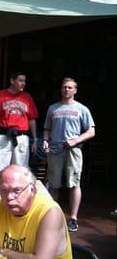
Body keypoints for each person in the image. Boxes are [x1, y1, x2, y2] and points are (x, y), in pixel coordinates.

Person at [43, 77, 95, 233]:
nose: (66, 89)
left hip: (74, 150)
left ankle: (73, 218)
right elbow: (47, 128)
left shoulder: (82, 109)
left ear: (75, 90)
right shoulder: (53, 108)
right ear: (61, 89)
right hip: (56, 150)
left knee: (74, 184)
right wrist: (45, 140)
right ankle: (53, 217)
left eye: (70, 87)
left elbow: (91, 131)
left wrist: (76, 140)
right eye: (64, 87)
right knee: (53, 184)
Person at [0, 71, 38, 182]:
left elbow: (32, 120)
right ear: (12, 81)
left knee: (21, 172)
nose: (23, 83)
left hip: (21, 137)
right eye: (20, 80)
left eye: (24, 81)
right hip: (2, 135)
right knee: (0, 172)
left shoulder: (27, 97)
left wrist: (35, 139)